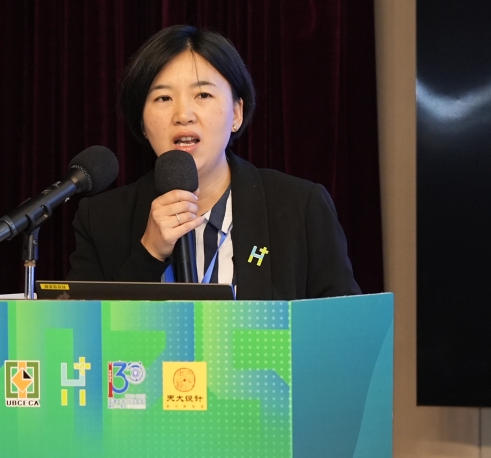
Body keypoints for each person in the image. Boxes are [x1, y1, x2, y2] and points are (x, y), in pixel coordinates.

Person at [67, 25, 361, 300]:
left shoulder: (299, 207)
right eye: (163, 98)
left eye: (203, 94)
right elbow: (83, 331)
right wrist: (149, 254)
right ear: (142, 122)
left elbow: (345, 327)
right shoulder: (101, 220)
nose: (183, 115)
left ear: (236, 113)